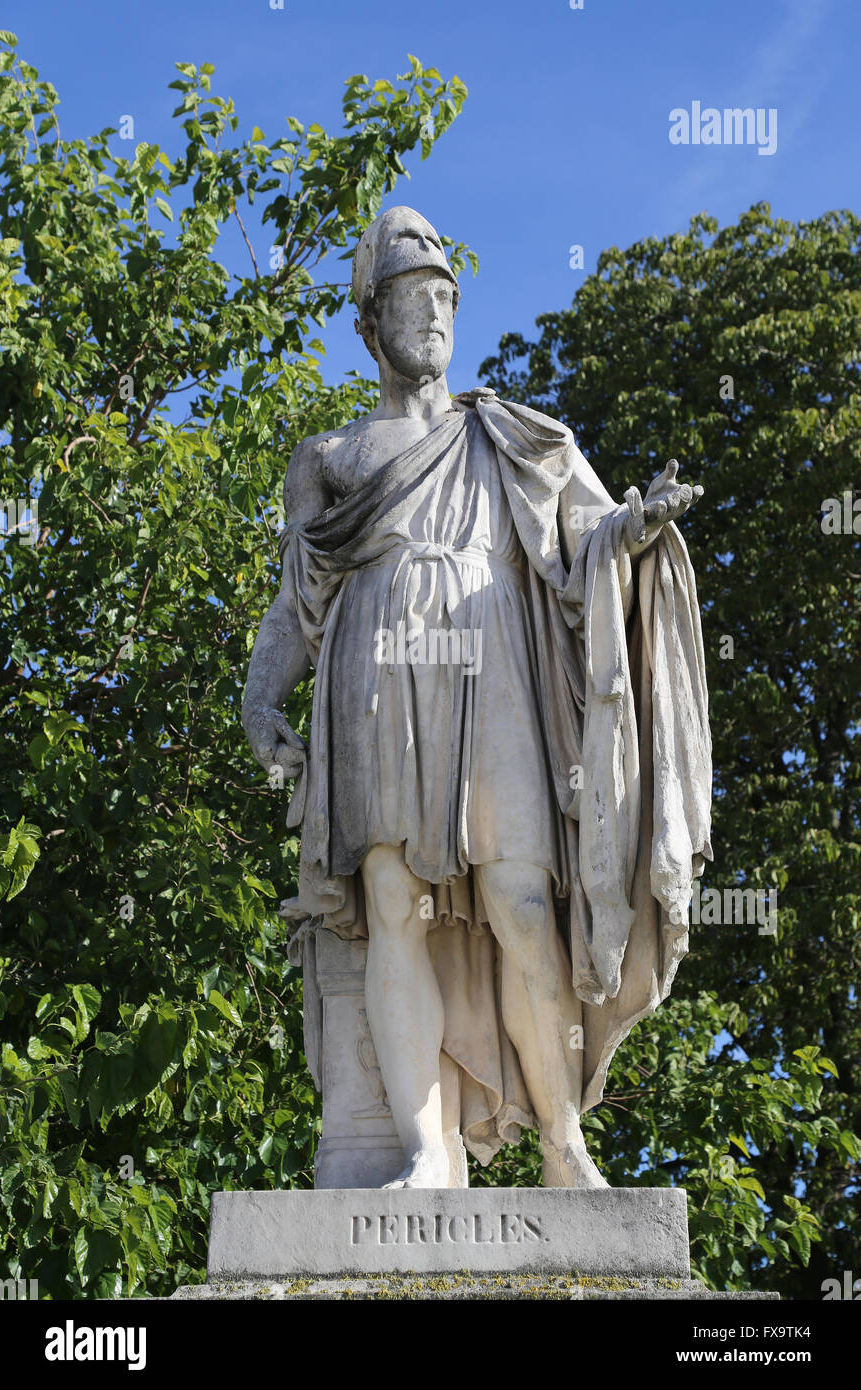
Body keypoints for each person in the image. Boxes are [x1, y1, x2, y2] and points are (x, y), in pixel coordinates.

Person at [242, 207, 712, 1189]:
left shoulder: (510, 436)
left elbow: (587, 536)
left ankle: (561, 1138)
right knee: (393, 904)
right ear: (369, 320)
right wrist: (259, 700)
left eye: (446, 297)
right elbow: (295, 603)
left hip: (489, 657)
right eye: (413, 298)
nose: (434, 316)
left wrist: (634, 529)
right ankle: (426, 1152)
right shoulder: (329, 455)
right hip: (374, 665)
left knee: (520, 898)